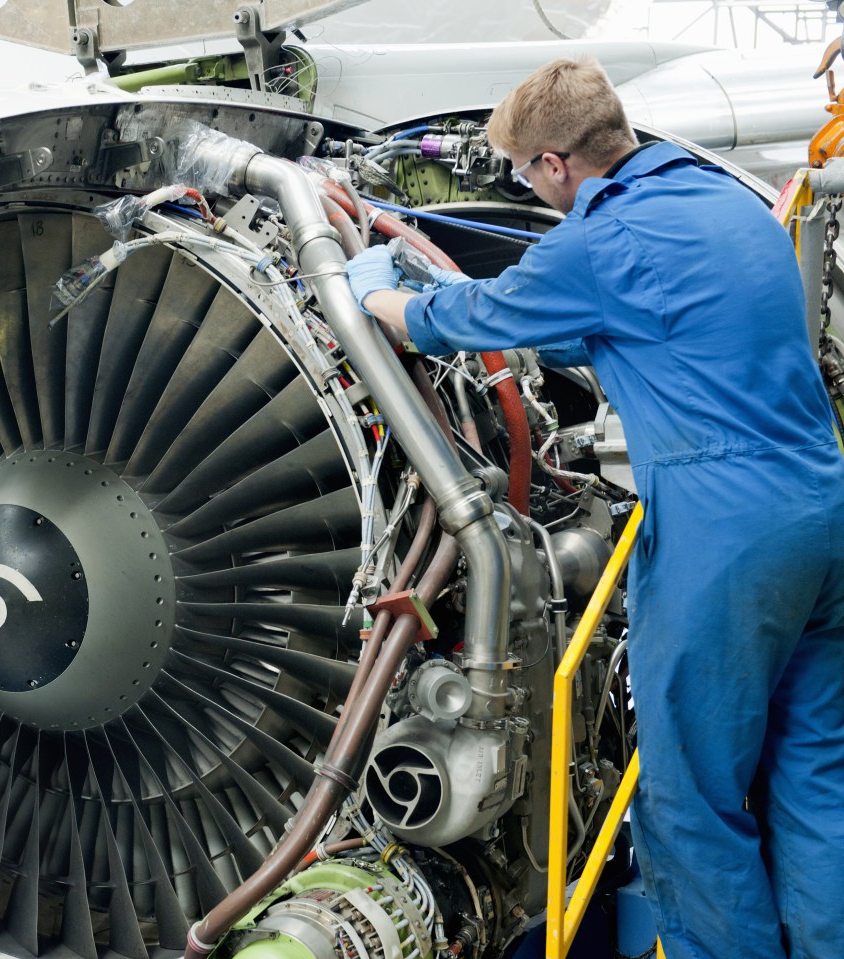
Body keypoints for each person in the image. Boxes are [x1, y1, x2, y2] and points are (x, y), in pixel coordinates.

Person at [347, 56, 844, 959]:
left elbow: (448, 323)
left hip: (722, 532)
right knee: (814, 771)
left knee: (690, 796)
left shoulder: (603, 239)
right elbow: (635, 327)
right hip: (821, 511)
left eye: (524, 175)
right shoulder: (733, 204)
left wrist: (377, 292)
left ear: (554, 164)